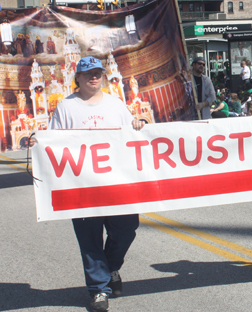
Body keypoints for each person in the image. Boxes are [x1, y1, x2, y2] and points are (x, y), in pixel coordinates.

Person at [48, 56, 145, 312]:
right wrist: (40, 145)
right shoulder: (66, 107)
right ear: (77, 78)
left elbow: (132, 134)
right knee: (90, 240)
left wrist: (138, 124)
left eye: (98, 73)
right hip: (82, 187)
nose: (94, 77)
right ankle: (98, 289)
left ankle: (111, 267)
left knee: (126, 229)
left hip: (117, 185)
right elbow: (53, 144)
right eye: (88, 73)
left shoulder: (116, 104)